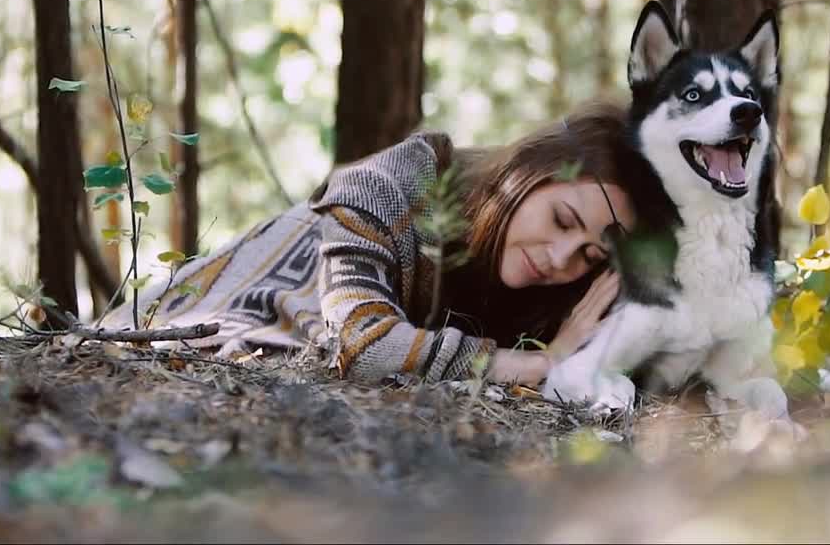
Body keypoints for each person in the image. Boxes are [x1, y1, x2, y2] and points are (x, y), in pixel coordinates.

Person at [93, 99, 643, 388]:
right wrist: (542, 362)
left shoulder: (533, 294)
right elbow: (363, 345)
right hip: (135, 342)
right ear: (525, 172)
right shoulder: (390, 185)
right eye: (562, 219)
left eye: (589, 257)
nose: (558, 258)